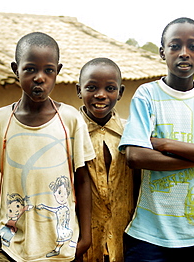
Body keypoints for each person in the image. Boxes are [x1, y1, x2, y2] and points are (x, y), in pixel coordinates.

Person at [118, 17, 194, 262]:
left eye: (192, 46)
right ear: (162, 52)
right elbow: (136, 156)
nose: (184, 53)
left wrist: (164, 144)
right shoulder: (147, 95)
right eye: (175, 46)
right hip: (149, 233)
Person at [0, 32, 95, 262]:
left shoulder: (70, 120)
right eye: (30, 69)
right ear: (15, 69)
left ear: (57, 71)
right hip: (7, 244)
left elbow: (83, 178)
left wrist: (85, 236)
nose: (40, 77)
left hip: (59, 246)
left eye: (48, 70)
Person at [76, 58, 139, 262]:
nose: (101, 95)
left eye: (110, 88)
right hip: (81, 244)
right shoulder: (68, 134)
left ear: (120, 92)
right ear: (79, 90)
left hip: (126, 241)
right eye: (92, 87)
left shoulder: (132, 133)